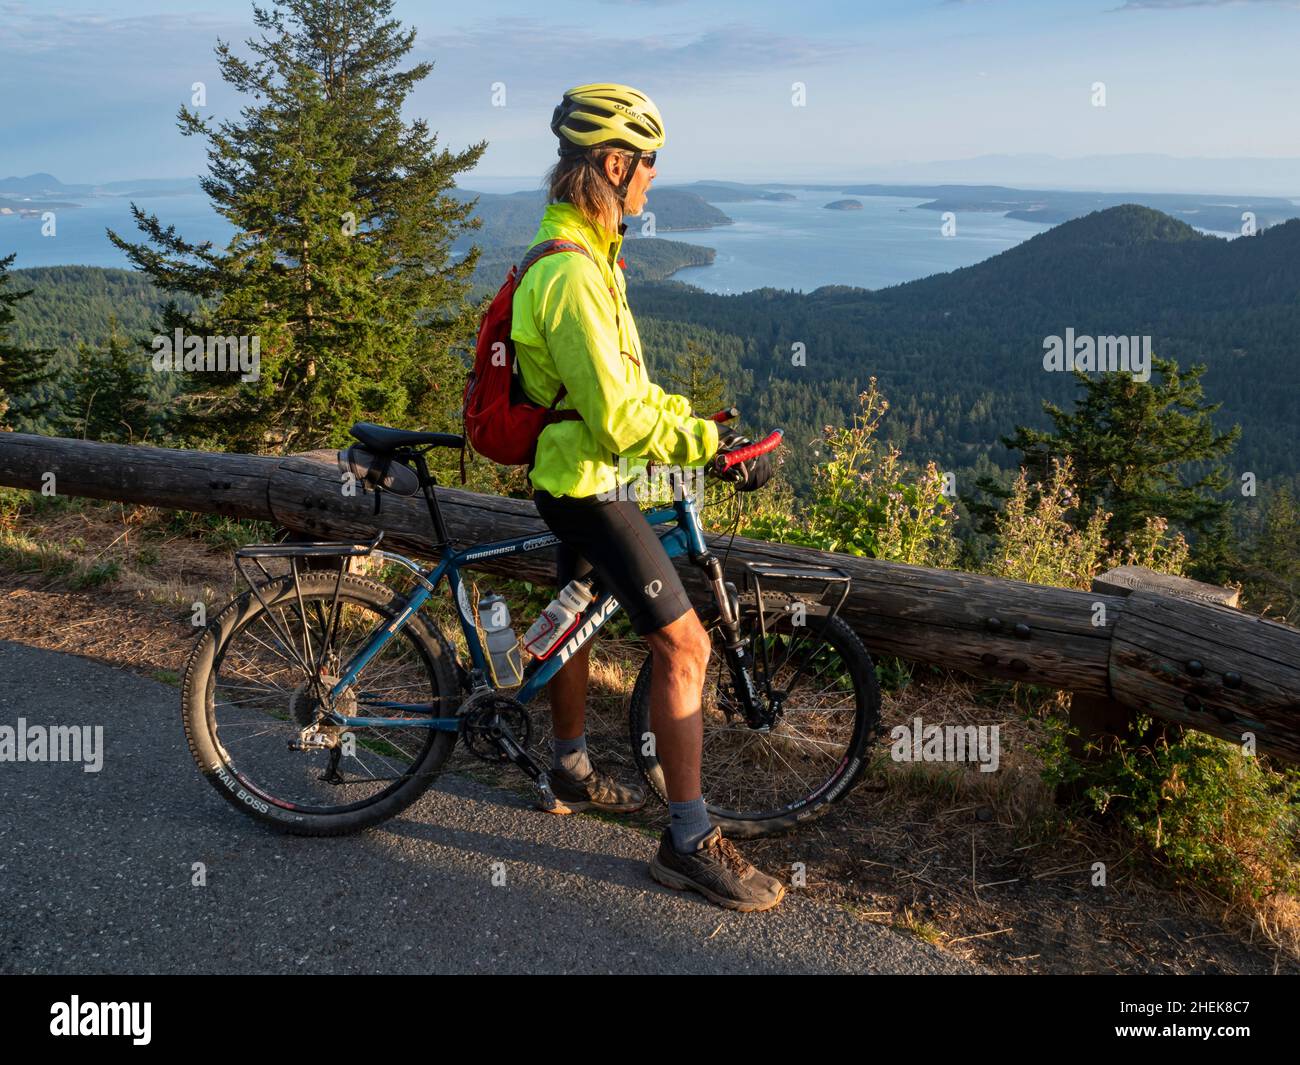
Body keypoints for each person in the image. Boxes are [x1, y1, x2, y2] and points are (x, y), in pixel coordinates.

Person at [511, 83, 781, 912]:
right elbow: (621, 417)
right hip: (586, 485)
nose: (656, 179)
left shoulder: (589, 256)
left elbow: (625, 389)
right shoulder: (572, 275)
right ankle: (690, 839)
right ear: (617, 163)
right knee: (686, 647)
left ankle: (568, 765)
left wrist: (692, 420)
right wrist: (706, 445)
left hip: (577, 473)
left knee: (573, 619)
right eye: (650, 163)